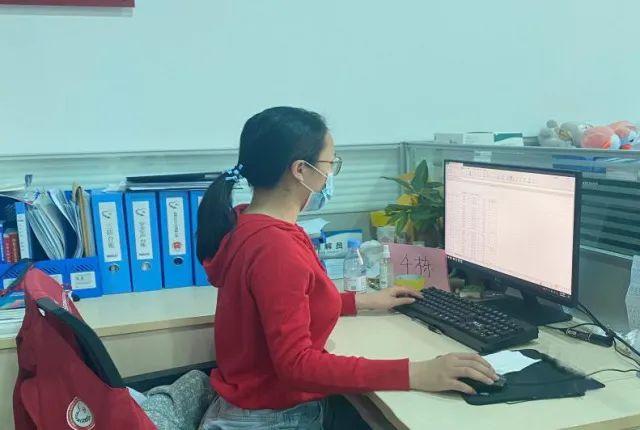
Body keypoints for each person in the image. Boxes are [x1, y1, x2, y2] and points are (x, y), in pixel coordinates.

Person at [196, 107, 497, 429]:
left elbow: (286, 303)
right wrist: (416, 372)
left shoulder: (250, 223)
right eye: (330, 164)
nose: (330, 174)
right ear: (301, 170)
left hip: (253, 407)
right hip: (272, 418)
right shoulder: (275, 248)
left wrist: (362, 301)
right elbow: (296, 365)